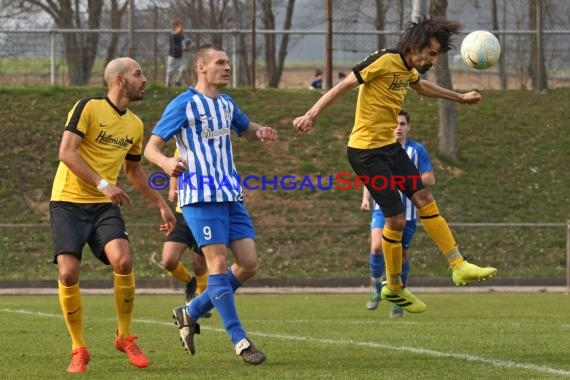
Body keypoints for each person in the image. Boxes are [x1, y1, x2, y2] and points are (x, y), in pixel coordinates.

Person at [293, 17, 497, 314]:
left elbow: (422, 88)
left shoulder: (409, 69)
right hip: (365, 153)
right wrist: (311, 114)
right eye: (430, 54)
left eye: (436, 56)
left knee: (424, 198)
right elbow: (345, 85)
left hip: (389, 148)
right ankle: (394, 287)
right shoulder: (383, 60)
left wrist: (460, 98)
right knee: (396, 220)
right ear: (415, 46)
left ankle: (458, 264)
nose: (432, 60)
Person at [144, 44, 278, 365]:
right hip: (200, 197)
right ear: (201, 68)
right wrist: (165, 163)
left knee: (247, 265)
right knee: (217, 265)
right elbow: (151, 147)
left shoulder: (227, 104)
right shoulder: (184, 104)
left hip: (230, 194)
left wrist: (262, 131)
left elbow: (246, 128)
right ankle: (240, 340)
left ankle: (191, 311)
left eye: (229, 62)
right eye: (220, 62)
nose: (227, 67)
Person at [49, 57, 176, 373]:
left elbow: (133, 171)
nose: (144, 79)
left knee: (123, 261)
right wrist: (104, 184)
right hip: (67, 202)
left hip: (104, 206)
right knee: (68, 274)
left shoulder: (134, 124)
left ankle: (124, 336)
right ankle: (79, 348)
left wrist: (160, 203)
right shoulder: (88, 107)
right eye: (138, 74)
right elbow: (66, 152)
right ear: (119, 79)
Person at [360, 109, 435, 318]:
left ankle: (399, 299)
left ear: (408, 127)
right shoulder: (380, 147)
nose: (398, 128)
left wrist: (406, 177)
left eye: (402, 124)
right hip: (382, 209)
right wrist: (366, 199)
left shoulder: (417, 150)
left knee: (400, 256)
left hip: (407, 213)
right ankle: (376, 287)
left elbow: (430, 179)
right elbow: (370, 178)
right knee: (376, 247)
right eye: (395, 124)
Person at [161, 149, 209, 306]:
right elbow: (175, 169)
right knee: (168, 260)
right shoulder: (182, 145)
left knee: (199, 264)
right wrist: (172, 189)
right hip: (182, 213)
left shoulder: (213, 146)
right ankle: (190, 282)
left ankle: (202, 302)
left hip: (204, 213)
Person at [165, 20, 192, 87]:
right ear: (175, 27)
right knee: (170, 72)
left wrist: (187, 45)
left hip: (180, 56)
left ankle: (178, 82)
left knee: (183, 68)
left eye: (182, 27)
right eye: (180, 27)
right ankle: (168, 85)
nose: (181, 29)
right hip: (173, 57)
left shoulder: (182, 36)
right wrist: (182, 48)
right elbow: (174, 46)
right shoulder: (172, 35)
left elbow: (187, 41)